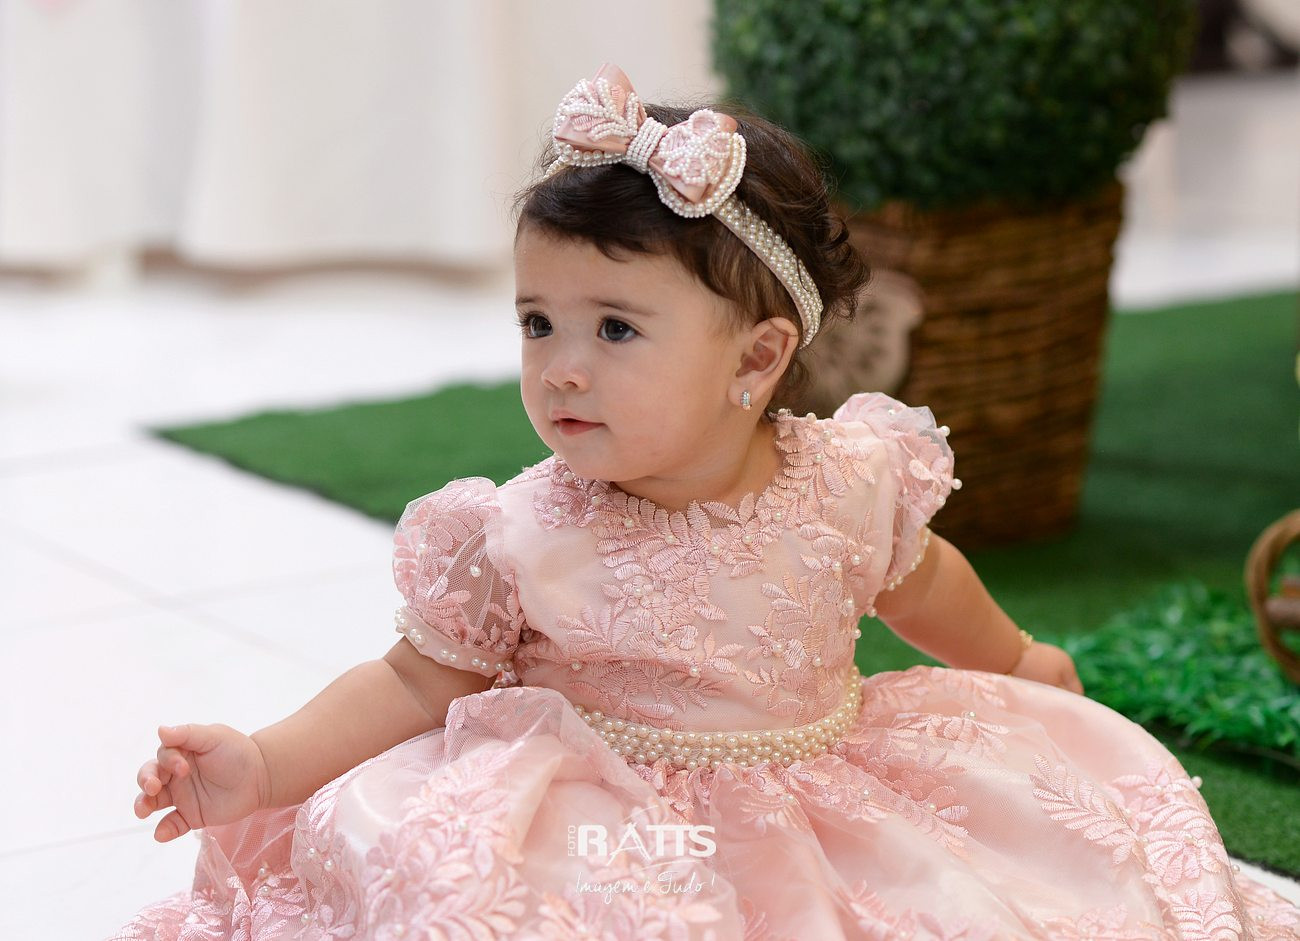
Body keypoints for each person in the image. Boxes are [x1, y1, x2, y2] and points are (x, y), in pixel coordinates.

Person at [109, 63, 1300, 940]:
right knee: (486, 894)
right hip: (605, 814)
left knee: (989, 889)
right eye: (538, 322)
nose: (561, 368)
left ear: (758, 356)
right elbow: (417, 680)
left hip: (820, 787)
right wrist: (265, 761)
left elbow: (923, 579)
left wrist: (1017, 660)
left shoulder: (849, 478)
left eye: (615, 329)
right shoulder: (516, 529)